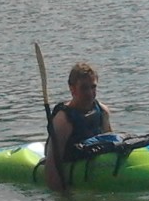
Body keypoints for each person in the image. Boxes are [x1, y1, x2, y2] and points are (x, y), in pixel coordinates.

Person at [45, 62, 112, 192]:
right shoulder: (63, 120)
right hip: (67, 161)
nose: (90, 93)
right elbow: (52, 164)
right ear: (72, 89)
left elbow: (110, 142)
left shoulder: (102, 111)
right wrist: (64, 199)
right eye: (84, 88)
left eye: (93, 87)